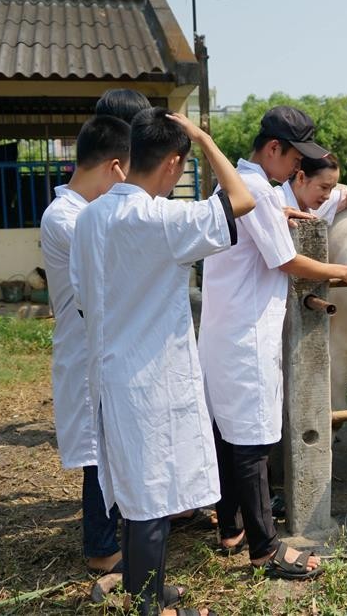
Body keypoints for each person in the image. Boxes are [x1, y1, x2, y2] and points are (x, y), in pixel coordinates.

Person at [71, 107, 255, 616]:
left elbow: (83, 295)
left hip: (108, 371)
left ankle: (141, 587)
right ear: (173, 163)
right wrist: (206, 138)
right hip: (150, 376)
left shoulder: (90, 216)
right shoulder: (162, 219)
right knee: (151, 494)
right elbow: (241, 199)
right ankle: (150, 604)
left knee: (134, 487)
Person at [198, 106, 347, 581]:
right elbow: (287, 261)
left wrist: (281, 211)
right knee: (253, 442)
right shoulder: (255, 188)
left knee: (228, 434)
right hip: (246, 333)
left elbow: (259, 223)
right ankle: (265, 548)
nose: (298, 170)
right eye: (296, 159)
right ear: (273, 148)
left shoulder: (240, 184)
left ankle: (231, 528)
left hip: (222, 330)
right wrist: (345, 270)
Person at [40, 115, 130, 578]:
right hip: (84, 350)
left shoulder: (79, 213)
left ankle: (113, 533)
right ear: (115, 167)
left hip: (98, 347)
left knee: (109, 443)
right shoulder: (67, 218)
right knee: (97, 451)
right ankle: (101, 548)